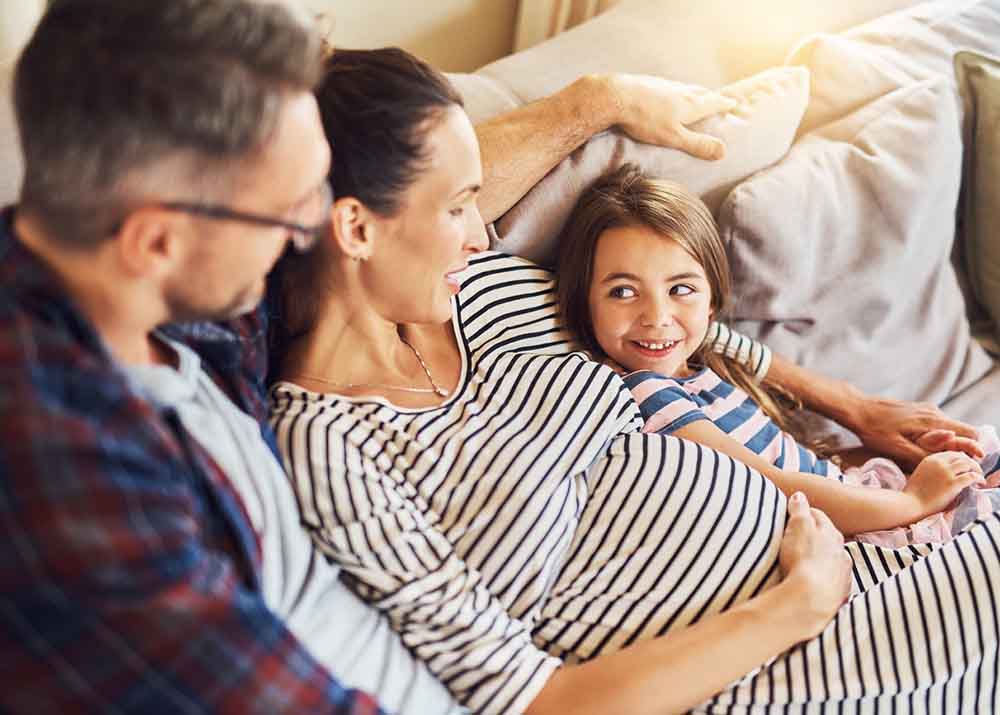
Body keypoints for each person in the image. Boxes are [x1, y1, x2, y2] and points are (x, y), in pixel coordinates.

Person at [1, 2, 847, 714]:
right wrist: (793, 608)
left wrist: (592, 104)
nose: (314, 235)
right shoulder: (85, 509)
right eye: (293, 208)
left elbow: (398, 207)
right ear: (157, 238)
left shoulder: (159, 289)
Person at [268, 47, 1000, 715]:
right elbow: (534, 703)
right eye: (458, 208)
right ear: (356, 230)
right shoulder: (330, 449)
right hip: (793, 661)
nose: (480, 228)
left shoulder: (474, 290)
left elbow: (674, 325)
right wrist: (799, 603)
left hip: (878, 558)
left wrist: (853, 405)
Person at [555, 163, 1000, 545]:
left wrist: (897, 463)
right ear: (582, 301)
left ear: (712, 301)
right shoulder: (648, 391)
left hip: (864, 495)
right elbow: (774, 486)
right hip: (851, 533)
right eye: (623, 291)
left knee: (984, 448)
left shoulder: (702, 366)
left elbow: (801, 457)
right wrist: (914, 500)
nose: (657, 316)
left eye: (681, 289)